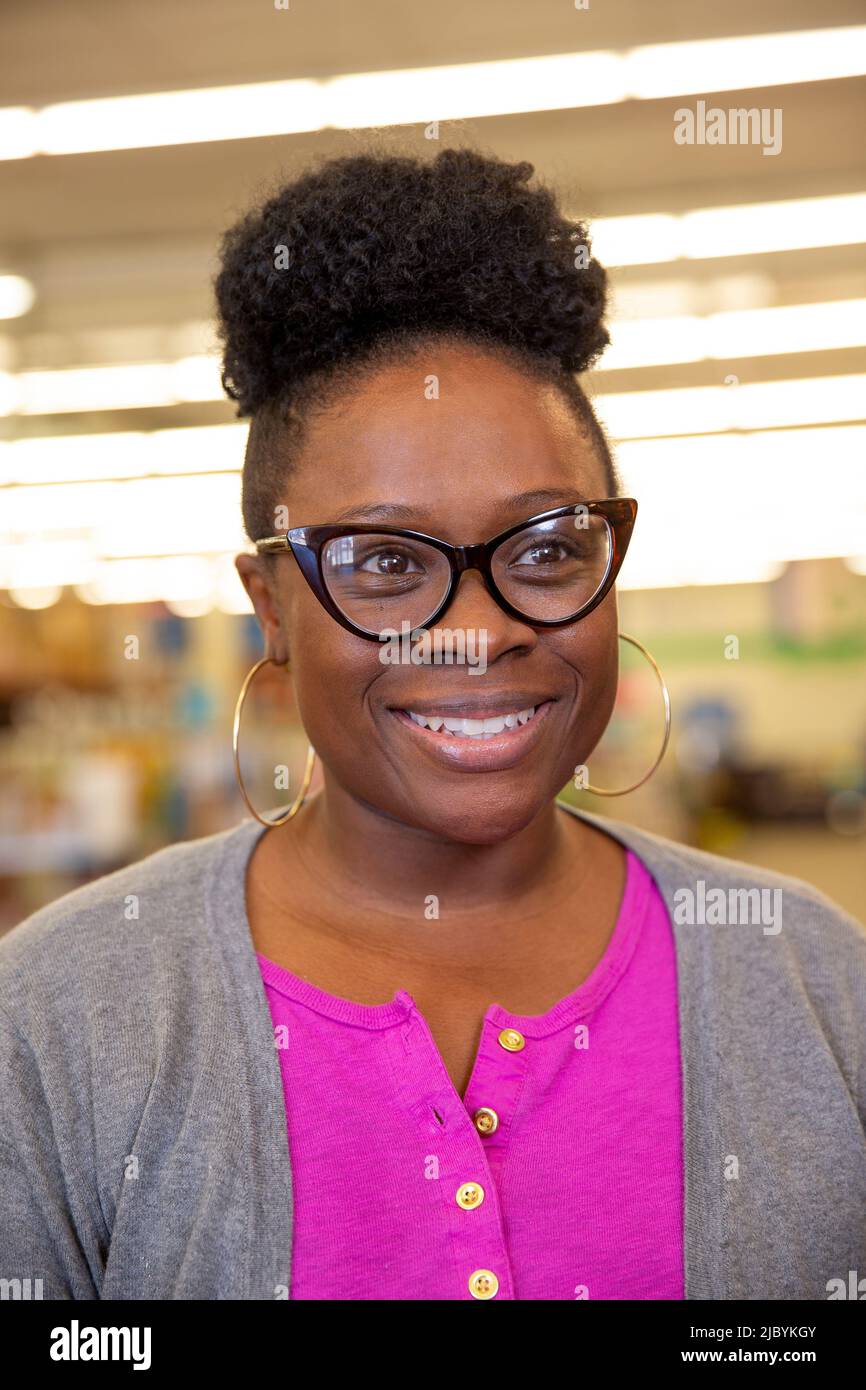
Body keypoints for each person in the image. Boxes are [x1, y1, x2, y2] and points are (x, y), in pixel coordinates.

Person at [1, 148, 864, 1302]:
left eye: (548, 547)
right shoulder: (61, 1019)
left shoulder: (810, 982)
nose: (474, 630)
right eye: (384, 563)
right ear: (271, 608)